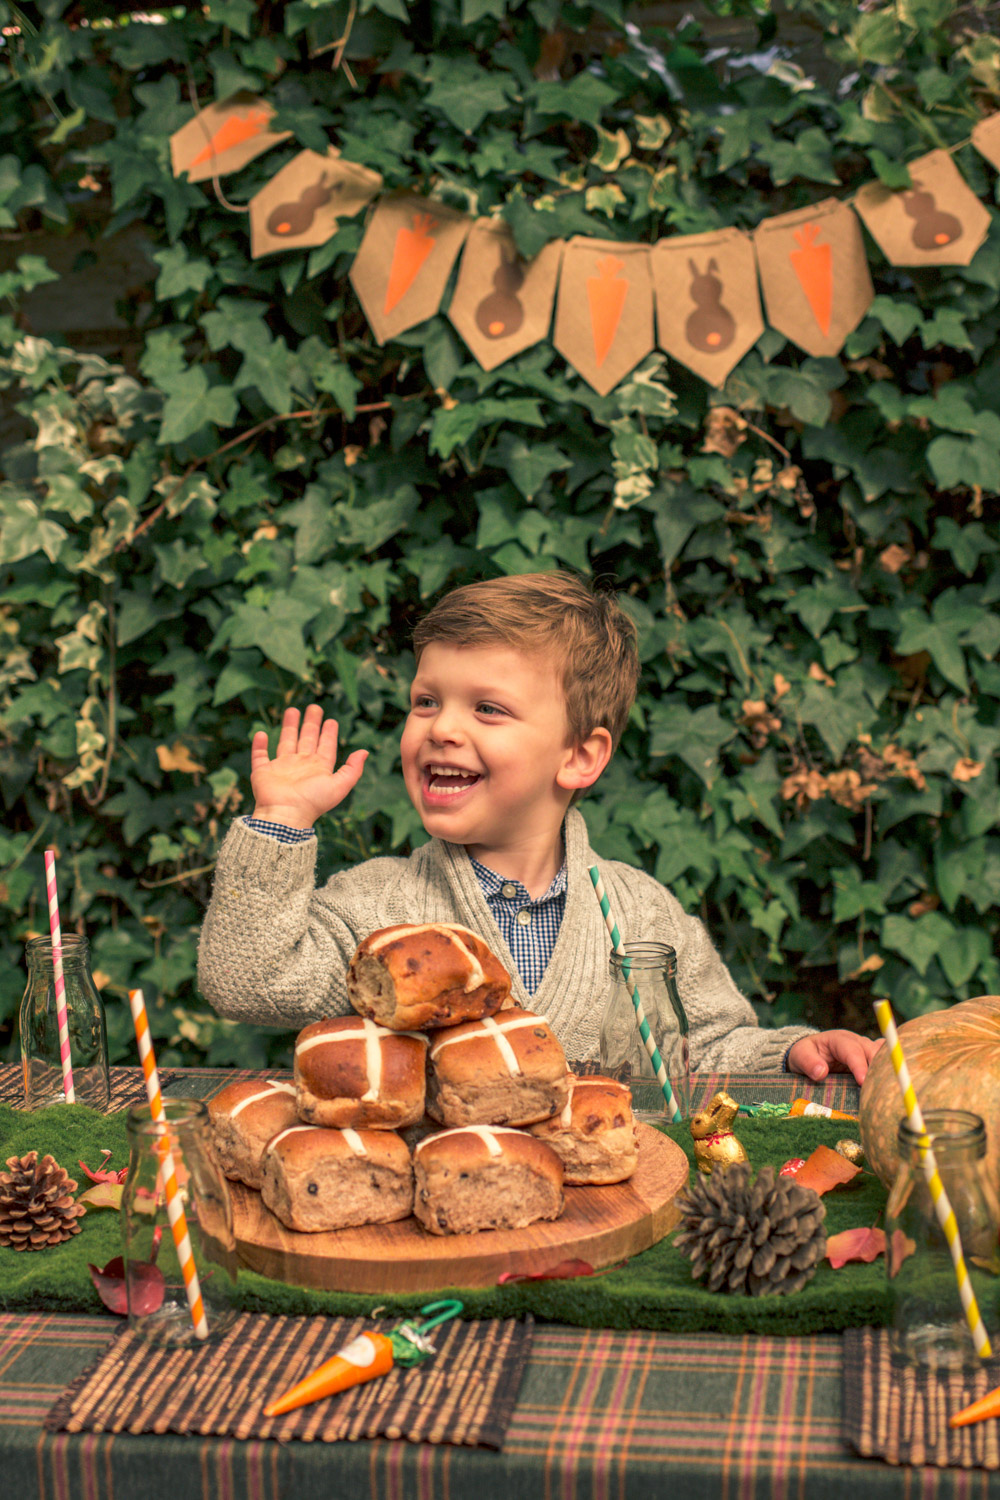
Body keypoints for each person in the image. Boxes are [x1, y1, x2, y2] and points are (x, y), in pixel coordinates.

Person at [198, 571, 880, 1082]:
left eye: (487, 709)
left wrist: (790, 1050)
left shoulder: (639, 913)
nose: (443, 728)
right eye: (426, 701)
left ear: (580, 756)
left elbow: (704, 1048)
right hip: (431, 1220)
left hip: (606, 1206)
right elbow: (247, 980)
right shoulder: (379, 907)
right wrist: (281, 820)